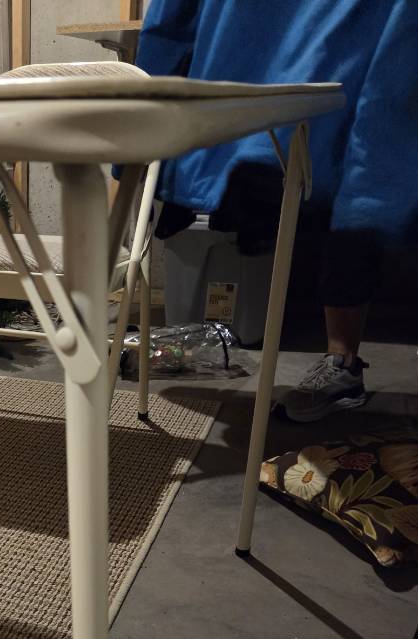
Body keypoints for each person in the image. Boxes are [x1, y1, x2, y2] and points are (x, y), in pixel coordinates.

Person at [135, 0, 418, 421]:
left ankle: (341, 362)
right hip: (277, 75)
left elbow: (168, 26)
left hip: (337, 61)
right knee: (351, 197)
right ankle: (341, 361)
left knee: (357, 202)